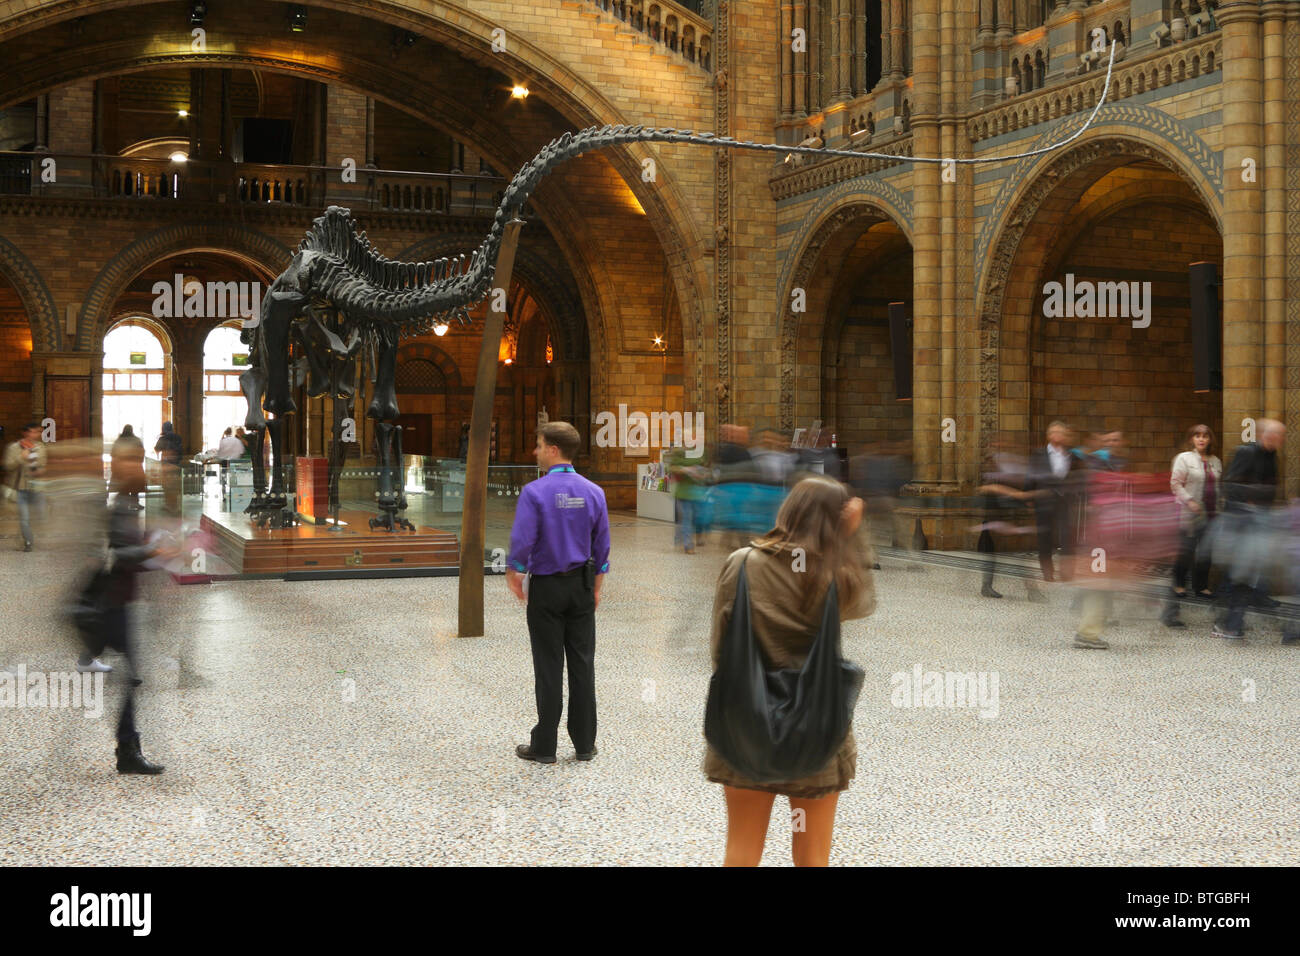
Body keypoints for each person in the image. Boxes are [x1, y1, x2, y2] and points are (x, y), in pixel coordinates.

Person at [705, 475, 875, 866]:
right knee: (812, 856)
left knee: (742, 850)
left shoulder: (743, 564)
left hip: (747, 726)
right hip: (815, 731)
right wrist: (850, 537)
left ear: (790, 510)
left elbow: (721, 648)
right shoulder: (836, 573)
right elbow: (864, 602)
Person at [506, 422, 611, 764]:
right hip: (580, 585)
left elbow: (523, 539)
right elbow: (602, 547)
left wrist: (515, 571)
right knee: (582, 664)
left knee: (548, 666)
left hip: (548, 587)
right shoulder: (594, 492)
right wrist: (595, 588)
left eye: (538, 446)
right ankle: (584, 743)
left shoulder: (534, 492)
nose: (534, 452)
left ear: (553, 449)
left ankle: (545, 745)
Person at [1214, 419, 1286, 641]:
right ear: (1266, 434)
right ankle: (1227, 621)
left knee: (1245, 572)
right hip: (1239, 522)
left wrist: (1261, 498)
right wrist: (1254, 497)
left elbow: (1272, 488)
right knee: (1238, 573)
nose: (1280, 440)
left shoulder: (1272, 456)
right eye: (1277, 435)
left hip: (1257, 522)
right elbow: (1230, 485)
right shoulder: (1245, 452)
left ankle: (1232, 622)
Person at [1162, 425, 1222, 626]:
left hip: (1212, 514)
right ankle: (1178, 584)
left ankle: (1201, 586)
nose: (1202, 439)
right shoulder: (1184, 458)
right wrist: (1190, 501)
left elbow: (1218, 487)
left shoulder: (1215, 461)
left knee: (1206, 550)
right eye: (1198, 436)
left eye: (1205, 436)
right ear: (1192, 439)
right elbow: (1175, 484)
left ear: (1210, 439)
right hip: (1189, 512)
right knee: (1186, 550)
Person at [1027, 422, 1086, 582]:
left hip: (1065, 502)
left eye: (1061, 432)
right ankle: (1048, 573)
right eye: (1055, 432)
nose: (1058, 435)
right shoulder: (1038, 455)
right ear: (1049, 435)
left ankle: (1067, 574)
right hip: (1044, 501)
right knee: (1045, 537)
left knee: (1068, 537)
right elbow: (1030, 476)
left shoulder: (1072, 456)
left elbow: (1079, 477)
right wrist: (1029, 497)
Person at [3, 422, 47, 551]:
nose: (36, 435)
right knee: (24, 518)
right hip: (20, 489)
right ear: (25, 433)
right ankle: (28, 541)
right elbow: (8, 466)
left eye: (38, 432)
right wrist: (21, 458)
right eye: (33, 432)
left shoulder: (40, 447)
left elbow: (42, 464)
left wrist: (40, 470)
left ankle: (25, 532)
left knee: (41, 516)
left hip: (37, 489)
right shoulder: (14, 448)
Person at [668, 442, 711, 553]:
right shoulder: (679, 452)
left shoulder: (702, 452)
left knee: (699, 517)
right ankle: (688, 545)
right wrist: (685, 470)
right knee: (687, 518)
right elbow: (671, 468)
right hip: (684, 492)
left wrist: (702, 473)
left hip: (698, 492)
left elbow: (707, 468)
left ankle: (688, 537)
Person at [110, 425, 146, 510]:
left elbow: (113, 454)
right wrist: (139, 462)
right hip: (134, 469)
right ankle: (134, 504)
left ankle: (124, 505)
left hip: (121, 469)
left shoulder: (118, 441)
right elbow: (142, 452)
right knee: (134, 489)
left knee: (123, 489)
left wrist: (115, 468)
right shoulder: (136, 440)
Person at [154, 421, 184, 516]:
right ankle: (175, 506)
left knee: (167, 485)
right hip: (177, 465)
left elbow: (156, 449)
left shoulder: (163, 438)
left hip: (166, 465)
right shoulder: (178, 437)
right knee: (175, 485)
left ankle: (169, 505)